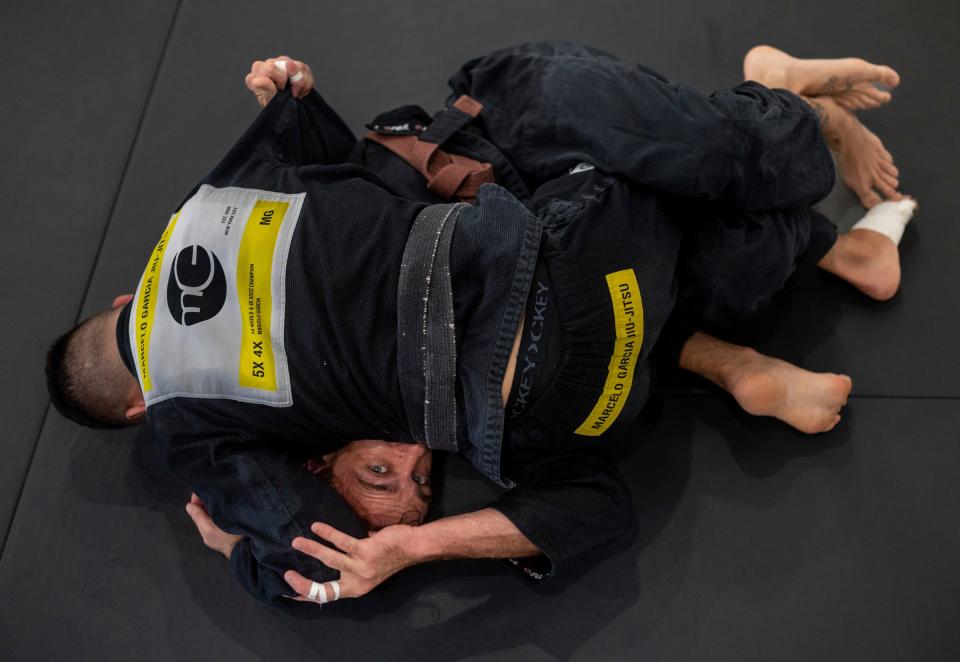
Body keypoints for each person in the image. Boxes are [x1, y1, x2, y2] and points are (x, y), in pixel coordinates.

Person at [45, 41, 915, 608]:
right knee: (524, 93)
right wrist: (293, 92)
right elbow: (325, 154)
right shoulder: (199, 208)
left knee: (666, 269)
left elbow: (326, 559)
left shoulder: (185, 424)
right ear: (123, 301)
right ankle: (782, 121)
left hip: (572, 403)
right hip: (569, 256)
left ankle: (763, 299)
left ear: (135, 410)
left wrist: (237, 545)